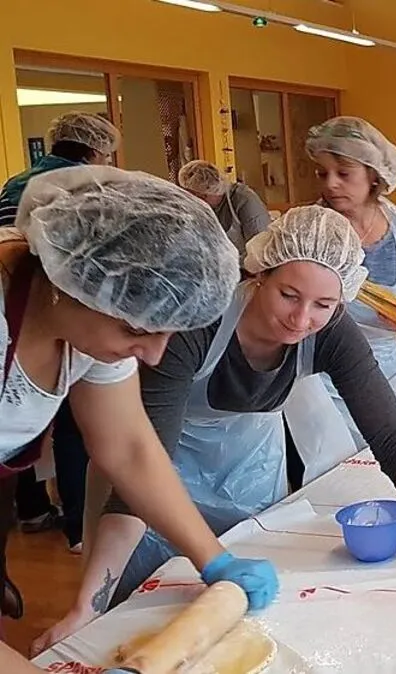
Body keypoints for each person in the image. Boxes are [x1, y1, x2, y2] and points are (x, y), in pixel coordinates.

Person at [34, 206, 396, 654]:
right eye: (288, 295)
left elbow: (393, 440)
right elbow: (135, 469)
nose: (301, 320)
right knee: (143, 629)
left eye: (323, 304)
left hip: (250, 477)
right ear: (260, 274)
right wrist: (84, 608)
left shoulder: (332, 332)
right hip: (154, 489)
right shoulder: (199, 325)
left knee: (240, 627)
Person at [0, 166, 278, 672]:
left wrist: (212, 558)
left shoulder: (92, 320)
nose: (152, 356)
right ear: (71, 281)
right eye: (137, 329)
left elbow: (128, 446)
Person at [284, 116, 396, 469]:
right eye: (323, 173)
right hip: (323, 372)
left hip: (389, 362)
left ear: (373, 174)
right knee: (340, 468)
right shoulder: (309, 228)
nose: (331, 184)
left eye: (344, 172)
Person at [0, 111, 122, 551]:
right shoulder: (94, 191)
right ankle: (73, 524)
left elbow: (129, 447)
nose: (152, 353)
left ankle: (33, 509)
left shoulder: (16, 183)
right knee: (72, 431)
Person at [0, 112, 119, 227]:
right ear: (95, 153)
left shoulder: (15, 184)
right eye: (107, 155)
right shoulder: (92, 188)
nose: (108, 163)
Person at [177, 160, 270, 258]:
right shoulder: (200, 209)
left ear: (208, 192)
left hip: (248, 266)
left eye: (196, 196)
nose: (193, 201)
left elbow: (261, 248)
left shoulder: (243, 200)